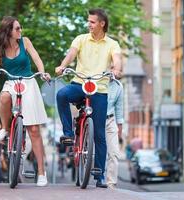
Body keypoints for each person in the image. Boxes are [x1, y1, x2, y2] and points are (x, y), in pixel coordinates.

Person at [55, 8, 122, 188]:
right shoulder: (81, 39)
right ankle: (68, 133)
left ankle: (99, 175)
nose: (89, 24)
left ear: (102, 24)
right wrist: (62, 66)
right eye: (89, 21)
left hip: (99, 90)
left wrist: (116, 69)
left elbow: (117, 60)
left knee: (99, 134)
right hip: (79, 84)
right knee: (61, 94)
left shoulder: (112, 44)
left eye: (92, 22)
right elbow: (71, 54)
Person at [0, 16, 50, 187]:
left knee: (34, 130)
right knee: (4, 96)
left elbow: (36, 58)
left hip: (28, 81)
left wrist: (42, 72)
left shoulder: (25, 41)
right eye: (17, 28)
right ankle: (6, 129)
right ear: (8, 31)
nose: (20, 31)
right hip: (11, 81)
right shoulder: (1, 46)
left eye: (20, 28)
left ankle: (42, 173)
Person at [105, 77, 124, 189]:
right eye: (111, 67)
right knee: (94, 152)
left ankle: (111, 184)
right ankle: (98, 178)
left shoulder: (118, 86)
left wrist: (119, 133)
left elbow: (119, 111)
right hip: (94, 118)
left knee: (114, 153)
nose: (113, 71)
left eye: (115, 68)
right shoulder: (95, 79)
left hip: (110, 120)